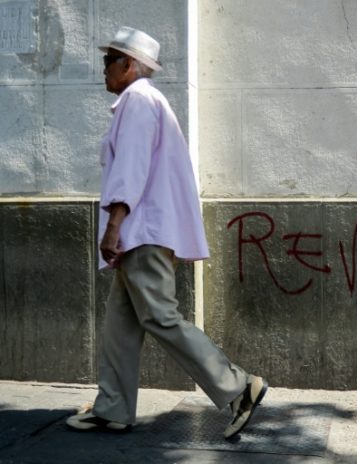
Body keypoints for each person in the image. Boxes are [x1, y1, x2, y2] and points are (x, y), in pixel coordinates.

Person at [65, 26, 267, 438]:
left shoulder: (138, 100)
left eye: (109, 61)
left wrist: (114, 226)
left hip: (141, 230)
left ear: (129, 65)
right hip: (144, 230)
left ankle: (237, 385)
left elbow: (131, 169)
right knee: (120, 324)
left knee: (159, 315)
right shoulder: (144, 101)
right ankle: (113, 408)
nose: (103, 69)